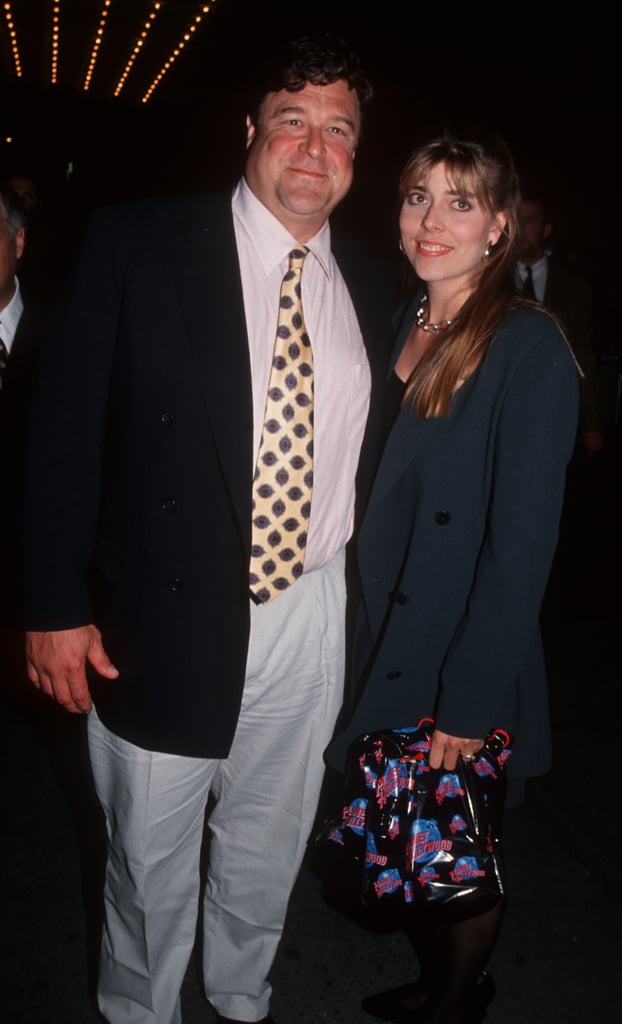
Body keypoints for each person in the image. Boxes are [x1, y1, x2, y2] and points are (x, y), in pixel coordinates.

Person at [22, 35, 393, 1024]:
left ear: (358, 154)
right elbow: (58, 428)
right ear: (250, 132)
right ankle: (140, 1007)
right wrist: (52, 602)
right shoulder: (140, 240)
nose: (314, 149)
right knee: (148, 853)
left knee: (270, 842)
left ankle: (240, 997)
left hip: (310, 609)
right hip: (164, 607)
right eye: (292, 122)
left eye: (339, 130)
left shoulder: (374, 278)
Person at [328, 124, 579, 1024]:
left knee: (458, 854)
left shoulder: (526, 347)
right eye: (417, 195)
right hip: (391, 633)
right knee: (411, 840)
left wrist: (470, 703)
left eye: (461, 202)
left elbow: (521, 552)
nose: (432, 220)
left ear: (501, 227)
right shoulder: (409, 318)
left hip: (461, 655)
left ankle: (456, 996)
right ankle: (445, 980)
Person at [516, 192, 604, 457]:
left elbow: (582, 354)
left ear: (546, 229)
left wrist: (591, 424)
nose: (521, 230)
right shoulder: (491, 283)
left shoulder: (574, 287)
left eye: (529, 221)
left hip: (553, 411)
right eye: (517, 221)